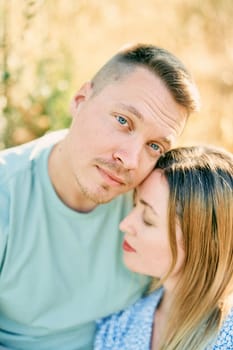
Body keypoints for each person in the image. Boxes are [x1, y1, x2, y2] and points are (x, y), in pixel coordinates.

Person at [0, 44, 200, 349]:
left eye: (155, 146)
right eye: (123, 121)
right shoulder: (7, 194)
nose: (130, 160)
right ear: (80, 100)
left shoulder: (152, 207)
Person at [94, 145, 233, 350]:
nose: (125, 224)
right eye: (135, 205)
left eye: (148, 219)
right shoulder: (118, 325)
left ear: (201, 243)